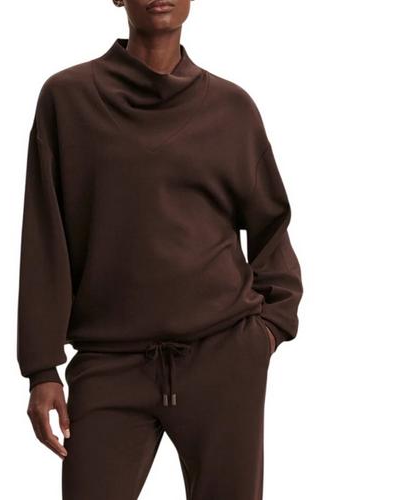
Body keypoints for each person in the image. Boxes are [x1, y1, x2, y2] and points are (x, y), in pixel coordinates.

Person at [17, 1, 304, 498]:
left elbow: (271, 225)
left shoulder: (231, 109)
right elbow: (45, 236)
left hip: (222, 357)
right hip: (108, 365)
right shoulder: (67, 99)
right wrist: (41, 369)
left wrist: (267, 331)